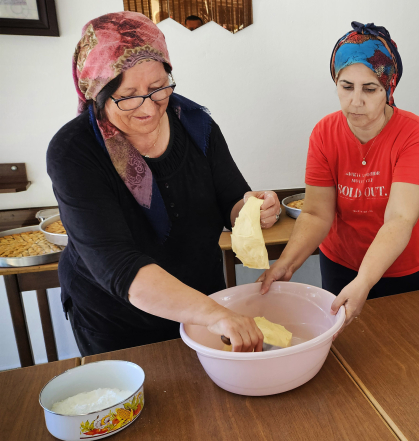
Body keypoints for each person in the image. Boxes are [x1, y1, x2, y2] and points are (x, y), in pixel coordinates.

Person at [47, 12, 281, 356]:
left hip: (202, 304)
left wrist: (253, 210)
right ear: (98, 93)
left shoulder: (197, 126)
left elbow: (231, 200)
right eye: (128, 95)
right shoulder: (75, 152)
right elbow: (119, 266)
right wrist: (215, 315)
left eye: (158, 88)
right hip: (116, 321)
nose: (148, 107)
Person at [257, 22, 419, 332]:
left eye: (370, 88)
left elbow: (399, 219)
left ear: (389, 87)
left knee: (410, 353)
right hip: (342, 262)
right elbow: (315, 212)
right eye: (346, 86)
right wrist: (284, 264)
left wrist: (365, 281)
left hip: (406, 268)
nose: (356, 101)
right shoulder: (325, 134)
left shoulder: (414, 134)